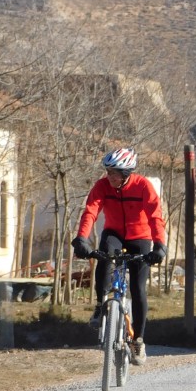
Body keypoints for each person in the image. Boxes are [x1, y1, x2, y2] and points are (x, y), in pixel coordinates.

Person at [71, 148, 167, 367]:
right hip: (114, 233)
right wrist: (82, 239)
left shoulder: (143, 186)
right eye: (108, 172)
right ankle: (99, 305)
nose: (110, 177)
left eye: (114, 173)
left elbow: (155, 216)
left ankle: (138, 341)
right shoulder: (102, 186)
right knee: (104, 258)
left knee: (138, 287)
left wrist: (160, 244)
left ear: (126, 173)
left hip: (140, 237)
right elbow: (91, 211)